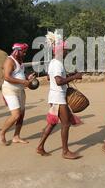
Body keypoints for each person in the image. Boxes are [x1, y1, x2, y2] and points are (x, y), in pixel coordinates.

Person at [36, 31, 83, 159]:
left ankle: (40, 146)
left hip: (56, 96)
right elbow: (58, 81)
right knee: (66, 124)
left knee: (52, 124)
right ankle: (65, 152)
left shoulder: (55, 63)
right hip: (58, 98)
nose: (67, 52)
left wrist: (69, 76)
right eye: (65, 50)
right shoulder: (57, 63)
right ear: (59, 51)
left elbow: (51, 78)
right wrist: (74, 76)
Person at [0, 43, 36, 146]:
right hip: (10, 90)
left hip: (20, 91)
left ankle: (16, 136)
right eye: (23, 52)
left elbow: (19, 75)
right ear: (17, 51)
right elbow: (6, 77)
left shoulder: (20, 60)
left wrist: (27, 78)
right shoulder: (9, 61)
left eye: (25, 52)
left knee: (21, 115)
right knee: (16, 115)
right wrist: (23, 82)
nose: (24, 53)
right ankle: (1, 133)